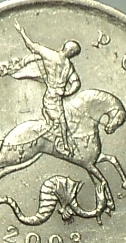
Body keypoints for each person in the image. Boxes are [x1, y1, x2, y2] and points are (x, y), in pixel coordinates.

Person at [13, 23, 82, 156]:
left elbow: (76, 82)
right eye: (73, 52)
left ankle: (60, 140)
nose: (72, 54)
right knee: (61, 122)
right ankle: (63, 145)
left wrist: (67, 93)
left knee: (64, 121)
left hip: (56, 97)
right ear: (69, 51)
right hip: (52, 97)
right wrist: (67, 92)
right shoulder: (59, 61)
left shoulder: (60, 61)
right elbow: (76, 83)